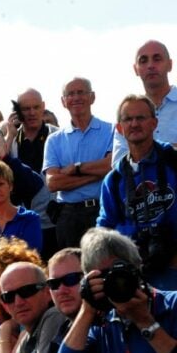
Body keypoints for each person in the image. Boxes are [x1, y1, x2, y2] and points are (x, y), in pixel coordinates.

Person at [56, 228, 177, 353]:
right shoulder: (101, 322)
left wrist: (145, 322)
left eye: (120, 271)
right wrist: (87, 308)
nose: (116, 282)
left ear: (138, 269)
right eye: (103, 277)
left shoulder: (172, 304)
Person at [98, 94, 177, 289]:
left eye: (140, 118)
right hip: (136, 276)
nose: (134, 124)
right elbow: (104, 231)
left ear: (154, 123)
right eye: (128, 119)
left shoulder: (173, 162)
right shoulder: (114, 180)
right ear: (119, 128)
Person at [43, 77, 114, 249]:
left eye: (81, 92)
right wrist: (96, 174)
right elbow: (53, 183)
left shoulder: (111, 130)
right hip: (69, 215)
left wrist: (76, 168)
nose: (76, 98)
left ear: (92, 97)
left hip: (103, 209)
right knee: (72, 272)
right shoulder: (54, 140)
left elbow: (111, 166)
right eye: (71, 94)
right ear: (63, 101)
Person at [112, 40, 177, 162]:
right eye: (143, 60)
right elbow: (119, 162)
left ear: (170, 65)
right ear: (136, 69)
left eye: (157, 59)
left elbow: (131, 158)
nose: (150, 65)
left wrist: (139, 149)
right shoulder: (127, 113)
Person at [8, 88, 58, 174]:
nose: (32, 113)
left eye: (36, 107)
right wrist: (10, 136)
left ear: (43, 106)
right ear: (17, 112)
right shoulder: (12, 140)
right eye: (26, 109)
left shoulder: (58, 135)